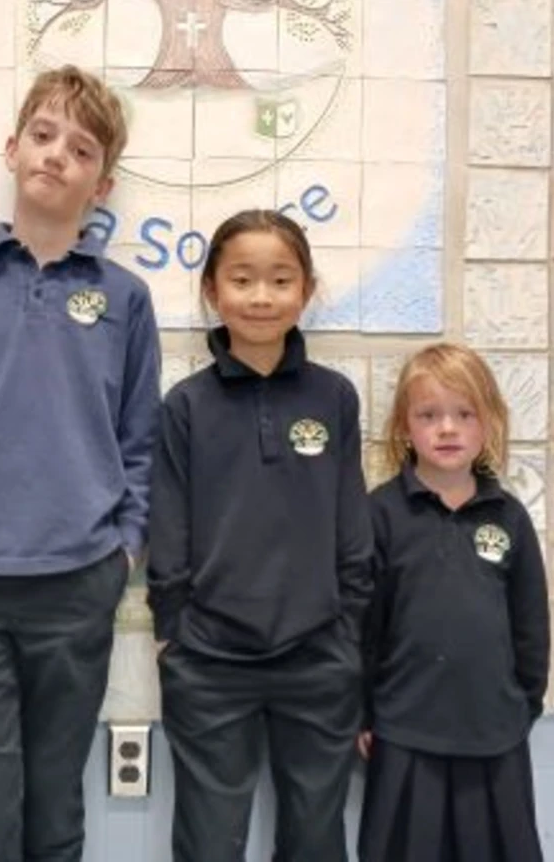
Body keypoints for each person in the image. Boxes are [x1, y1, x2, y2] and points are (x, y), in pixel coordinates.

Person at [0, 65, 161, 861]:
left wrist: (121, 548)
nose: (56, 156)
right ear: (12, 149)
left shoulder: (124, 299)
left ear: (101, 182)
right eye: (42, 136)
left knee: (53, 812)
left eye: (79, 149)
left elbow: (137, 441)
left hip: (76, 579)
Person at [147, 208, 372, 862]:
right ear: (212, 291)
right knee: (209, 839)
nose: (260, 296)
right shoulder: (185, 405)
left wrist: (347, 631)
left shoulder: (333, 398)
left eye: (279, 279)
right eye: (241, 279)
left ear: (305, 288)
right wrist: (174, 630)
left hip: (317, 656)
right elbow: (169, 527)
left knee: (314, 837)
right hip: (210, 662)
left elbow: (350, 527)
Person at [358, 343, 549, 862]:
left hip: (494, 734)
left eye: (465, 414)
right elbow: (362, 626)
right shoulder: (380, 515)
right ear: (404, 426)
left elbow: (531, 625)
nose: (447, 428)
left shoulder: (508, 518)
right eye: (429, 414)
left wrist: (522, 705)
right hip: (404, 731)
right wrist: (363, 713)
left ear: (487, 425)